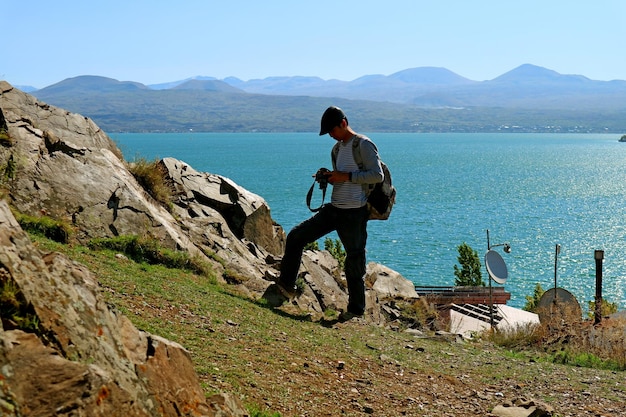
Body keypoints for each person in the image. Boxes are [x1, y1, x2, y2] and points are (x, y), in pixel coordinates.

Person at [276, 106, 384, 320]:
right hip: (334, 209)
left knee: (354, 261)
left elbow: (377, 175)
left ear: (343, 123)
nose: (331, 136)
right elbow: (342, 176)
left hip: (354, 213)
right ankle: (285, 287)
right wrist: (327, 176)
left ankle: (355, 311)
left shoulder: (363, 144)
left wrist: (344, 177)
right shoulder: (336, 150)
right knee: (296, 237)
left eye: (332, 131)